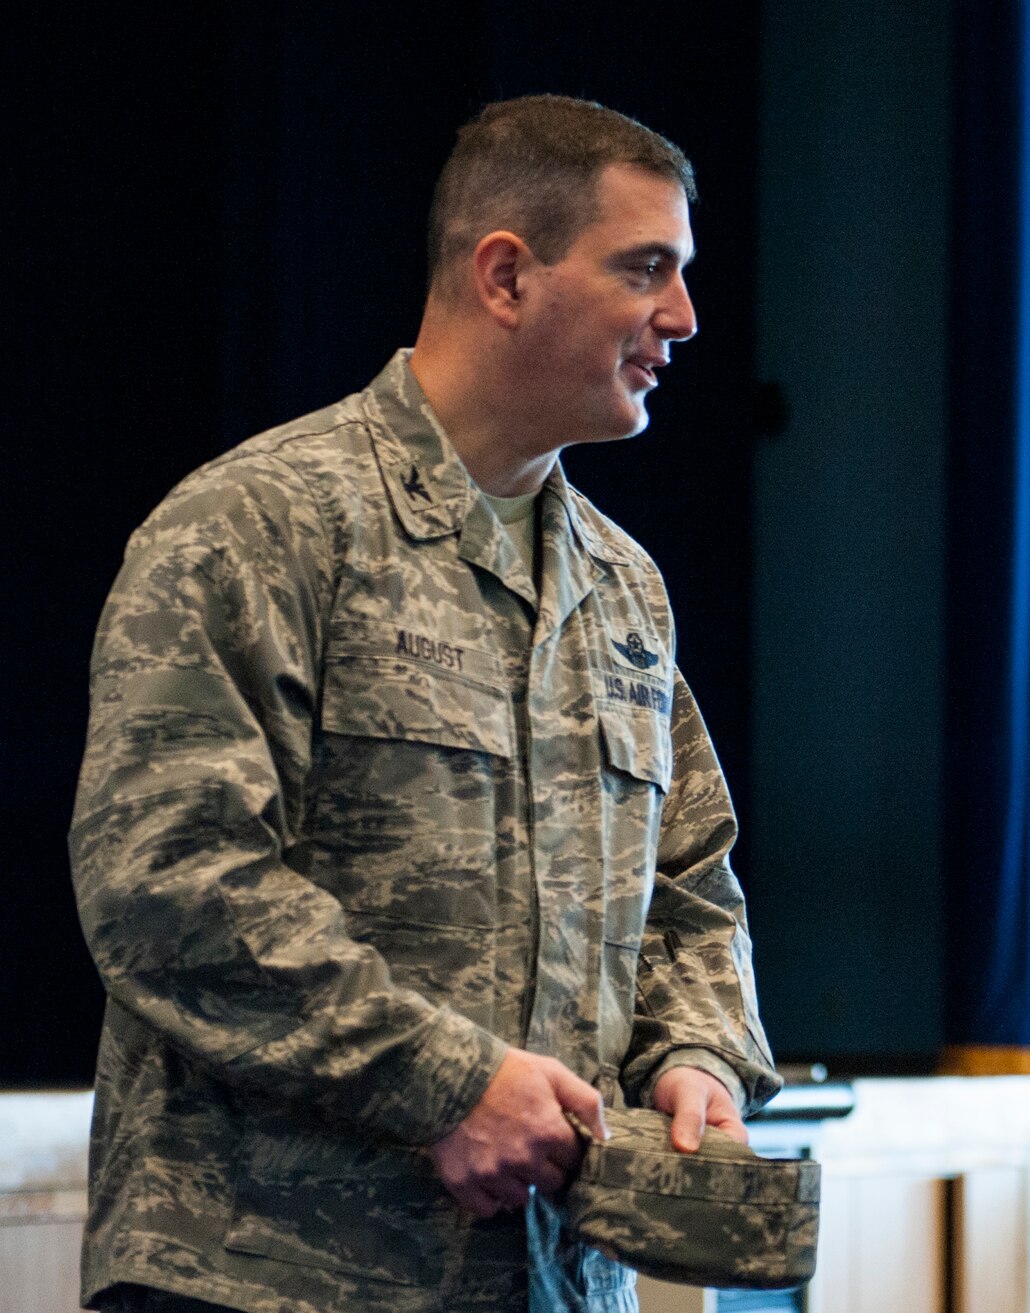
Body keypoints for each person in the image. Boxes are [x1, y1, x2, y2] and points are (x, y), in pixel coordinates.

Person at [69, 95, 779, 1313]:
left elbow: (688, 888)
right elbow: (165, 879)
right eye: (644, 268)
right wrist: (447, 1083)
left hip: (552, 1281)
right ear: (506, 276)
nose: (683, 316)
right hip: (271, 1276)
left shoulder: (622, 590)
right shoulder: (259, 524)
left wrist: (697, 1056)